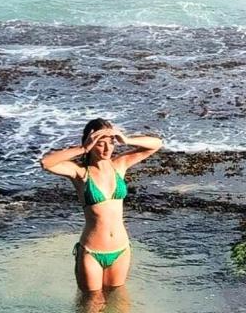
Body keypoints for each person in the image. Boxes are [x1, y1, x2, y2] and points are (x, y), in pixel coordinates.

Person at [39, 118, 163, 292]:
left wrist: (125, 139)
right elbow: (46, 163)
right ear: (90, 144)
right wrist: (82, 148)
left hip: (121, 249)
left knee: (118, 306)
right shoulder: (80, 173)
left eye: (110, 143)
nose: (107, 149)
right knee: (91, 307)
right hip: (92, 252)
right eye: (100, 144)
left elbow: (156, 144)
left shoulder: (120, 165)